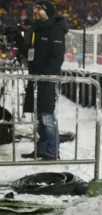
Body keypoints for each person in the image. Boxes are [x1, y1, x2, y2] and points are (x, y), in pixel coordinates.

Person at [13, 1, 68, 160]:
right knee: (39, 117)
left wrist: (43, 77)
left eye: (38, 8)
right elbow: (31, 54)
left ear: (47, 12)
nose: (34, 11)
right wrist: (17, 39)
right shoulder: (35, 28)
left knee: (47, 116)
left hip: (46, 79)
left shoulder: (56, 30)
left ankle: (52, 150)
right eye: (34, 8)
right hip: (36, 78)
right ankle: (42, 148)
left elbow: (57, 58)